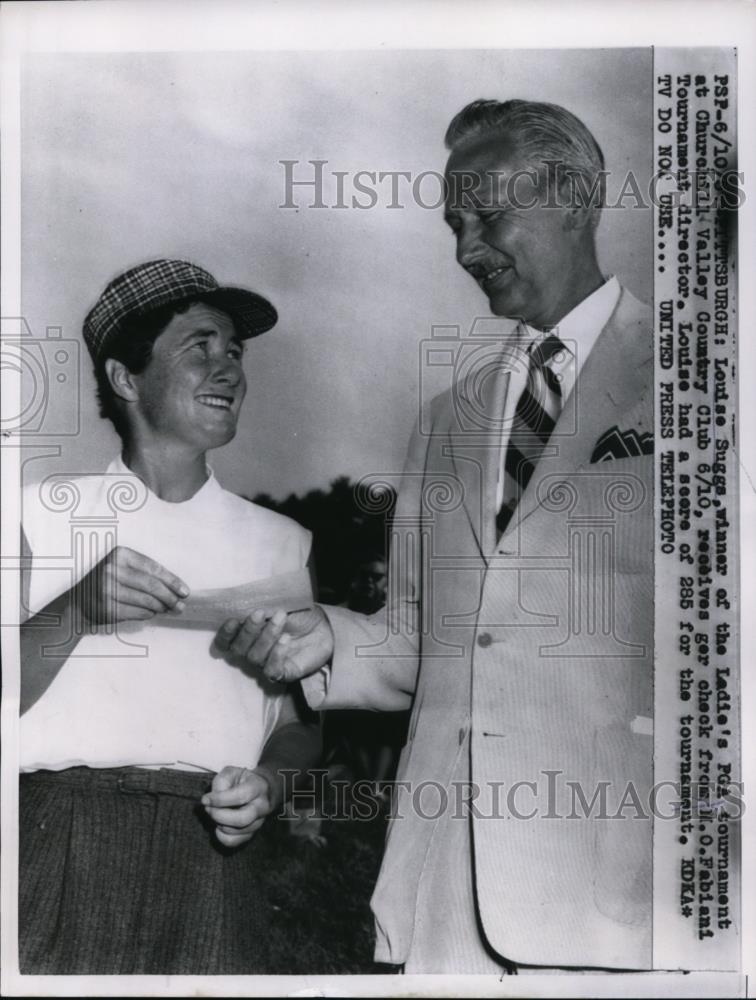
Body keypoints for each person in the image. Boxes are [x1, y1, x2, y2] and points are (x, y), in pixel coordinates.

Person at [217, 100, 655, 973]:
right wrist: (328, 639)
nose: (466, 249)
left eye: (489, 214)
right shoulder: (445, 422)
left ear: (577, 199)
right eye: (454, 224)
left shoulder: (707, 382)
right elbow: (430, 640)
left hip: (630, 891)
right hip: (449, 890)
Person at [19, 258, 321, 974]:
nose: (229, 370)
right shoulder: (35, 515)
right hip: (61, 841)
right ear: (126, 380)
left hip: (215, 862)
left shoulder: (282, 543)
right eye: (200, 348)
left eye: (235, 351)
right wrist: (75, 610)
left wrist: (270, 786)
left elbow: (298, 728)